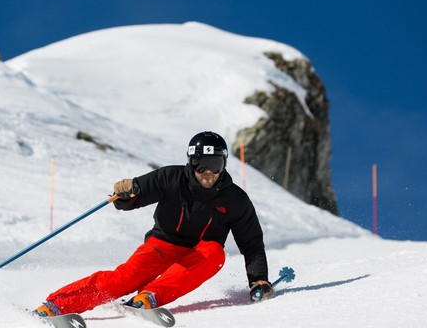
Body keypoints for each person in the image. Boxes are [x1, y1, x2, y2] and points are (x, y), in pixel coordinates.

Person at [33, 131, 271, 317]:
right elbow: (134, 195)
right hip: (161, 245)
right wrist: (126, 192)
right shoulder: (170, 178)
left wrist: (258, 280)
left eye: (215, 164)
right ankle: (56, 305)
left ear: (224, 164)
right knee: (124, 279)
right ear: (190, 162)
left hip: (198, 255)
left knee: (216, 253)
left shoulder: (236, 199)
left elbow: (251, 244)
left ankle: (149, 297)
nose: (207, 171)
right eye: (200, 164)